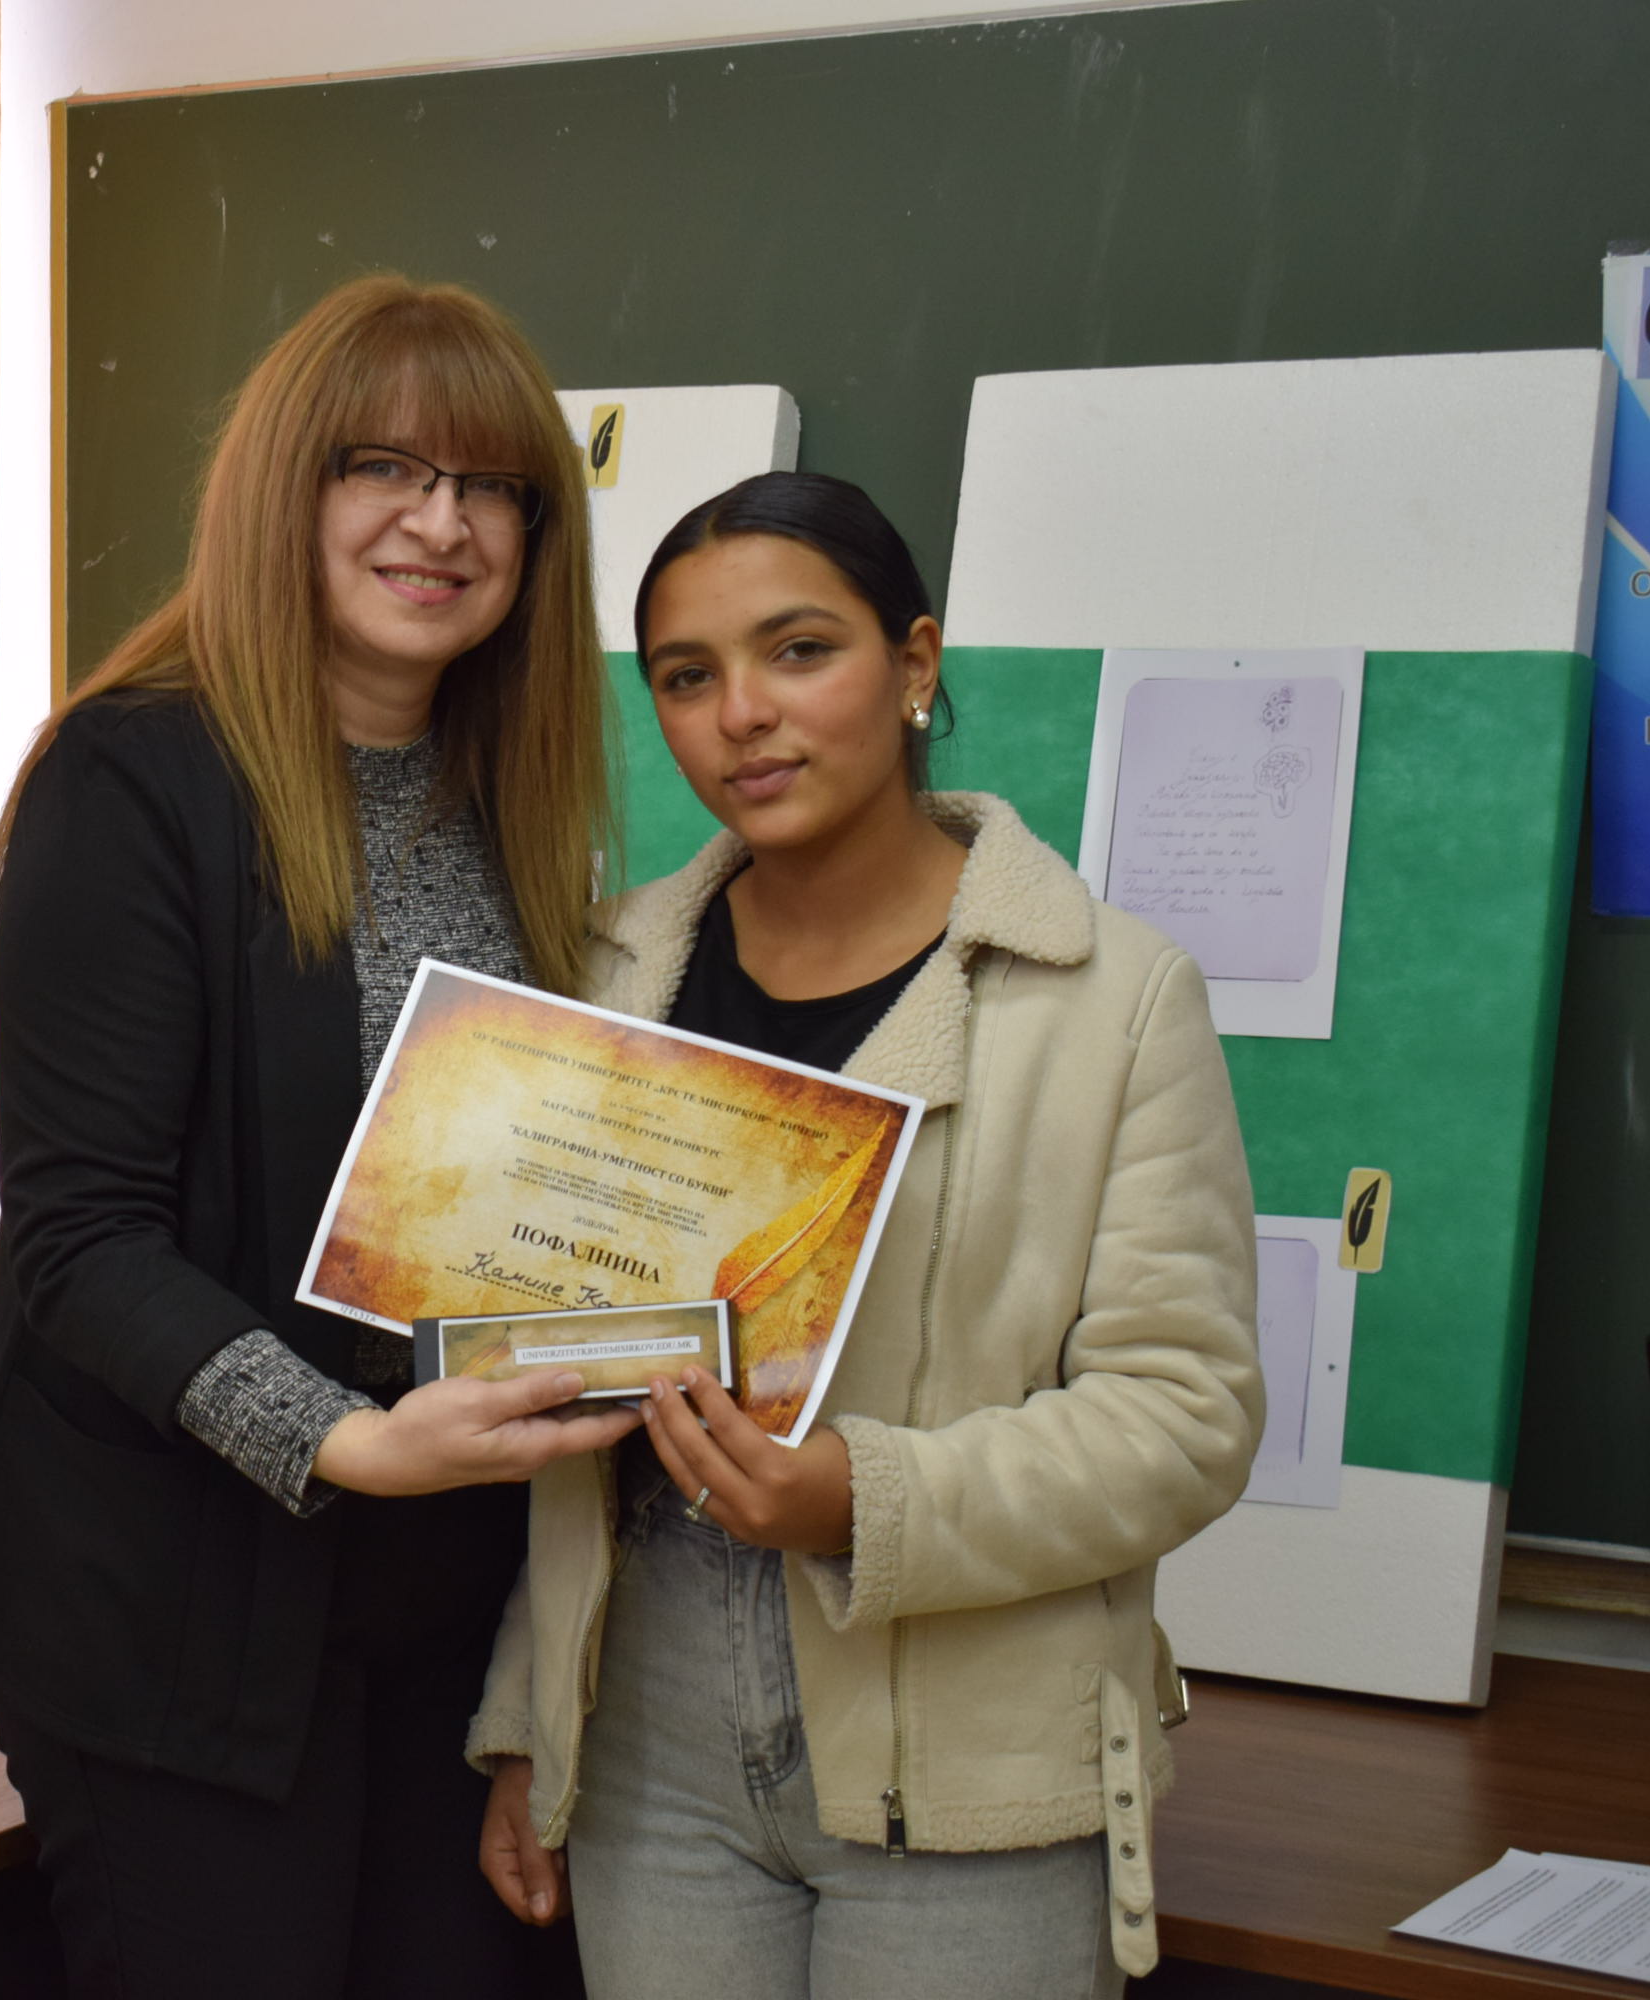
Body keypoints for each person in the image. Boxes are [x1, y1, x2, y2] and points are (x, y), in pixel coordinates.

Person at [0, 275, 640, 2000]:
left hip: (439, 1600)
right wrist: (345, 1442)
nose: (442, 525)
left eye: (493, 488)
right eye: (384, 468)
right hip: (173, 1609)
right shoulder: (131, 779)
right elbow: (82, 1241)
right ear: (282, 489)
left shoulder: (513, 805)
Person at [468, 471, 1263, 1999]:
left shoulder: (1112, 997)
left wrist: (861, 1498)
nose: (742, 715)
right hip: (644, 1743)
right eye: (687, 676)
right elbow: (566, 1399)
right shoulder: (607, 978)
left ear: (914, 664)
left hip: (970, 1751)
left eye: (799, 651)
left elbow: (1185, 1417)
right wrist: (531, 1723)